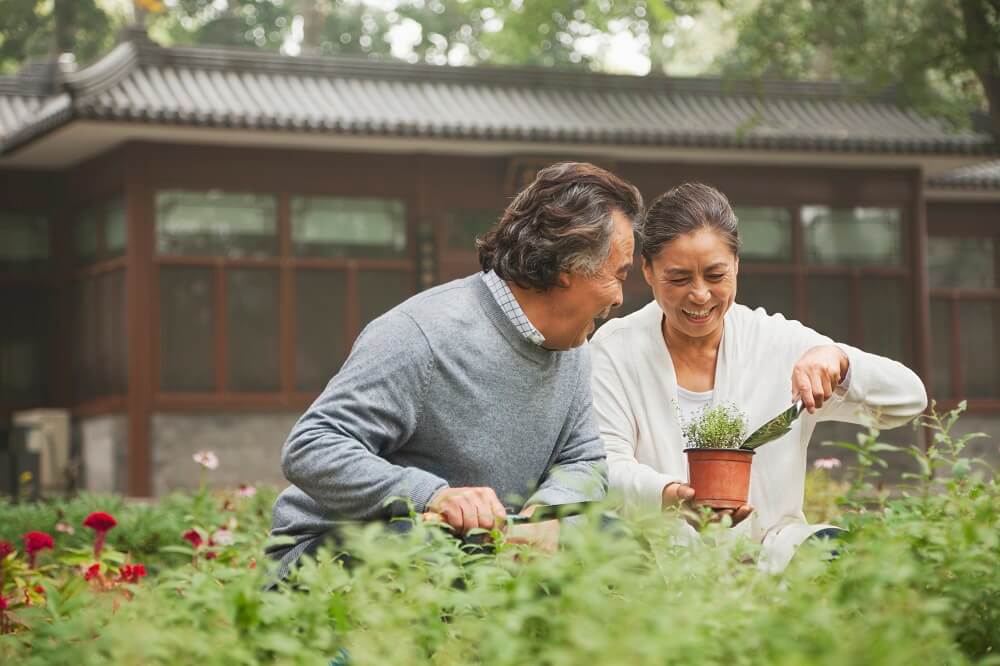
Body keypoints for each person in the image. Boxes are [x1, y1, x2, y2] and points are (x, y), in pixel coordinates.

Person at [267, 162, 643, 578]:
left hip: (481, 547)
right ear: (567, 269)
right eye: (618, 275)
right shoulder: (422, 334)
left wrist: (546, 515)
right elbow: (311, 447)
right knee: (438, 552)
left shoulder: (572, 348)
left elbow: (584, 459)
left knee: (619, 544)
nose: (620, 298)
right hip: (335, 551)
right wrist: (434, 497)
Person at [589, 182, 927, 572]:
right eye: (679, 279)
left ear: (736, 265)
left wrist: (840, 361)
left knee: (840, 554)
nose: (699, 295)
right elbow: (604, 466)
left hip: (770, 555)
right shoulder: (616, 349)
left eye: (715, 275)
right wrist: (672, 495)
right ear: (647, 271)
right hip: (657, 558)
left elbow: (910, 398)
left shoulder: (777, 344)